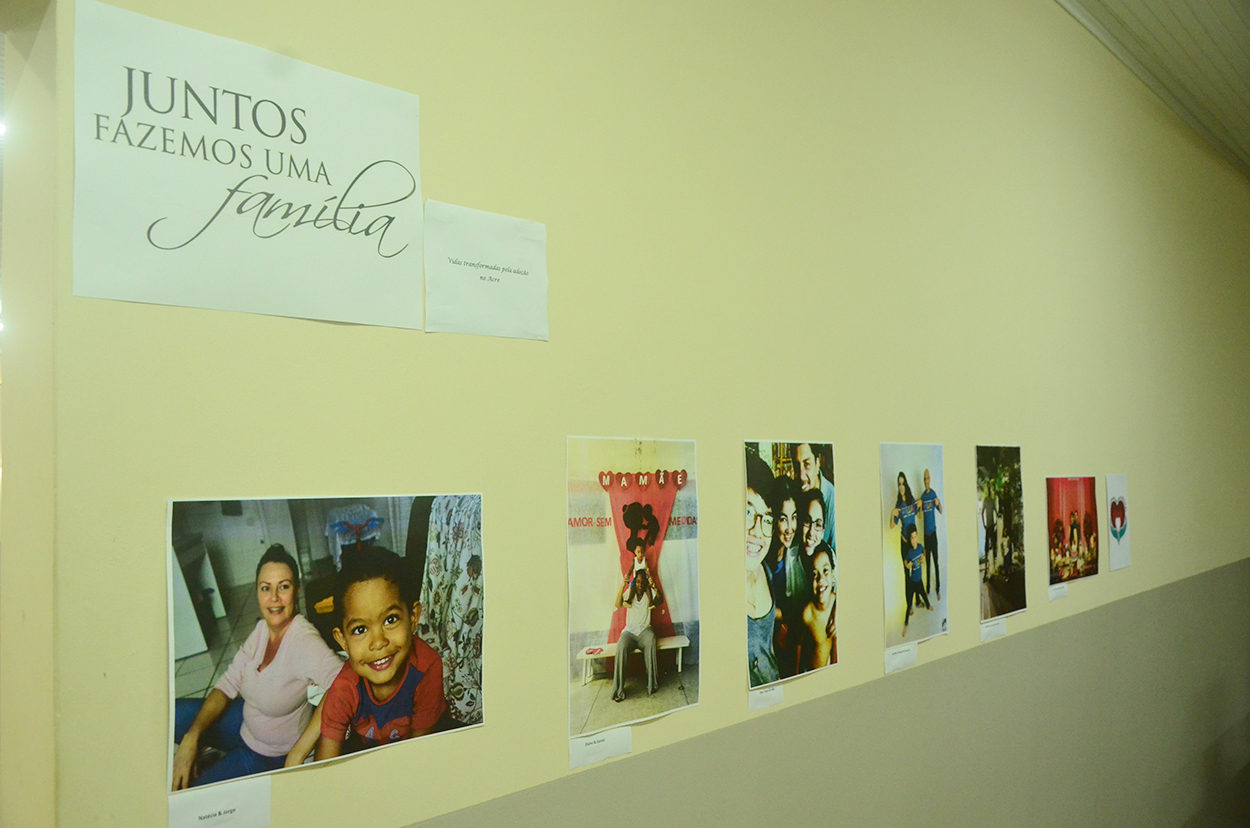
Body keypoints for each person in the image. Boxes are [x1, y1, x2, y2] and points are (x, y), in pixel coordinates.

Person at [171, 544, 344, 789]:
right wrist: (191, 738)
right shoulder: (262, 629)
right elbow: (228, 683)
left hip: (268, 754)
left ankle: (215, 761)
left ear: (296, 591)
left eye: (283, 587)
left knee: (192, 792)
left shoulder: (303, 640)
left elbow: (344, 684)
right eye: (265, 588)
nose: (274, 598)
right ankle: (206, 751)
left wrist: (298, 752)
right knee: (172, 714)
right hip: (244, 723)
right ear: (257, 592)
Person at [307, 546, 447, 760]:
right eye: (360, 630)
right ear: (342, 640)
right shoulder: (345, 686)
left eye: (390, 620)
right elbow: (325, 766)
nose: (379, 642)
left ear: (413, 617)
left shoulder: (427, 666)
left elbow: (420, 757)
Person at [612, 543, 664, 701]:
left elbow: (659, 600)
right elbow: (618, 604)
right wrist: (623, 584)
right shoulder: (631, 592)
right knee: (621, 646)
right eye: (638, 582)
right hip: (630, 631)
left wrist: (654, 586)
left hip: (644, 631)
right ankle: (618, 691)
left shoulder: (649, 593)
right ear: (636, 582)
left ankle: (652, 685)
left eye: (642, 582)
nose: (640, 585)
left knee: (651, 639)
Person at [746, 450, 780, 688]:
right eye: (748, 512)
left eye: (767, 519)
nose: (758, 531)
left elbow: (768, 648)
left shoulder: (765, 572)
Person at [766, 477, 804, 678]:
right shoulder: (763, 556)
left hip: (789, 638)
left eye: (794, 517)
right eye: (783, 519)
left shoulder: (795, 550)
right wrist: (787, 614)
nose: (790, 527)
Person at [796, 546, 837, 671]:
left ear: (833, 575)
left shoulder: (839, 604)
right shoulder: (808, 613)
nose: (820, 579)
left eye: (825, 571)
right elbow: (799, 646)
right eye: (814, 574)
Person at [794, 443, 835, 549]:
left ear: (817, 464)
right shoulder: (795, 494)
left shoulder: (834, 502)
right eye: (797, 466)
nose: (801, 476)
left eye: (807, 464)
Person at [902, 526, 931, 635]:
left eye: (915, 537)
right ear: (910, 540)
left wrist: (924, 558)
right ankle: (906, 624)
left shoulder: (920, 547)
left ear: (918, 537)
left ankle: (928, 605)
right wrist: (907, 565)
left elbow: (924, 552)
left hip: (919, 581)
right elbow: (905, 561)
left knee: (923, 594)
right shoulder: (910, 552)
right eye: (912, 538)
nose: (914, 540)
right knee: (909, 604)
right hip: (911, 583)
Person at [919, 469, 942, 599]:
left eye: (927, 478)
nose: (926, 480)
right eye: (924, 478)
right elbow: (919, 515)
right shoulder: (923, 496)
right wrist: (919, 505)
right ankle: (927, 589)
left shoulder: (933, 494)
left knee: (936, 562)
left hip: (933, 534)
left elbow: (941, 510)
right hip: (926, 536)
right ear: (923, 481)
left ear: (930, 479)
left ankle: (938, 589)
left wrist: (938, 502)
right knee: (927, 563)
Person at [890, 472, 918, 565]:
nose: (901, 486)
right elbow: (892, 526)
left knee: (914, 568)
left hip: (913, 541)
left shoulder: (911, 500)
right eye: (899, 484)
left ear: (906, 485)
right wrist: (892, 514)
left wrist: (921, 503)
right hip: (905, 542)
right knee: (906, 569)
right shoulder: (898, 504)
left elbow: (919, 515)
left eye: (903, 483)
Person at [982, 483, 998, 581]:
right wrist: (984, 524)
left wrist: (995, 523)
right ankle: (986, 569)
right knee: (986, 548)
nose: (989, 491)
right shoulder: (985, 501)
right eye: (988, 488)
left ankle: (993, 568)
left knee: (993, 545)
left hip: (991, 526)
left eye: (989, 489)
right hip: (988, 526)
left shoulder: (992, 501)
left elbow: (996, 511)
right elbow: (982, 513)